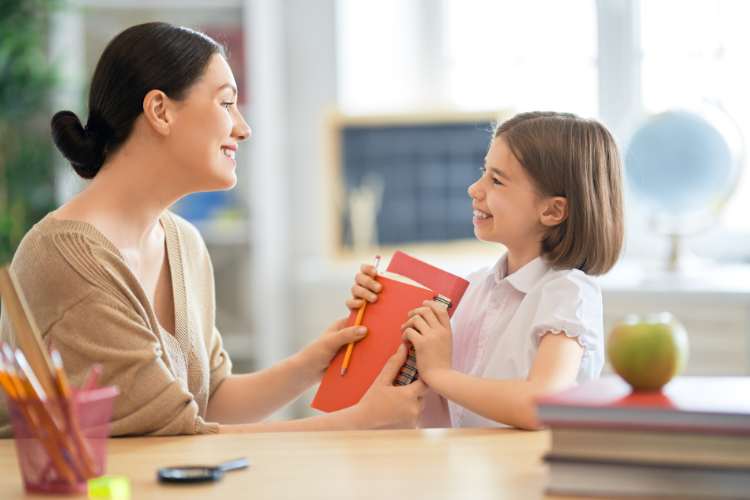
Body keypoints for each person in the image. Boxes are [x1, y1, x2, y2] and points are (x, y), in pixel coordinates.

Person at [0, 22, 425, 437]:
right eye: (226, 103)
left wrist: (315, 362)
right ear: (160, 111)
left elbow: (211, 399)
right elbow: (175, 435)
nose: (243, 127)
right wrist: (357, 422)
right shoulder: (67, 261)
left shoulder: (183, 243)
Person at [348, 112, 624, 429]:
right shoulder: (471, 288)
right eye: (484, 172)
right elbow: (439, 412)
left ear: (552, 210)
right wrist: (373, 323)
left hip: (525, 474)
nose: (473, 188)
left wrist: (440, 373)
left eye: (496, 180)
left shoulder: (568, 292)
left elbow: (543, 404)